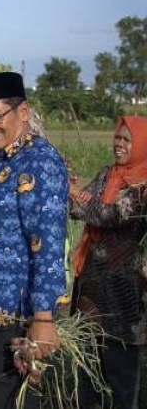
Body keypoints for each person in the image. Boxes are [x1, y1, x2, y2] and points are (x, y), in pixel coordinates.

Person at [0, 71, 68, 409]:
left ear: (22, 111)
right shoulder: (3, 160)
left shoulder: (39, 162)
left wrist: (44, 320)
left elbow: (48, 246)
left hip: (14, 319)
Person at [70, 115, 147, 409]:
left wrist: (78, 195)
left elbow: (110, 215)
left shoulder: (143, 186)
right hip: (91, 285)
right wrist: (72, 191)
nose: (119, 144)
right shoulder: (107, 174)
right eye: (117, 137)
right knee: (88, 366)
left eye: (127, 140)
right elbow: (79, 209)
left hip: (124, 292)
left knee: (120, 374)